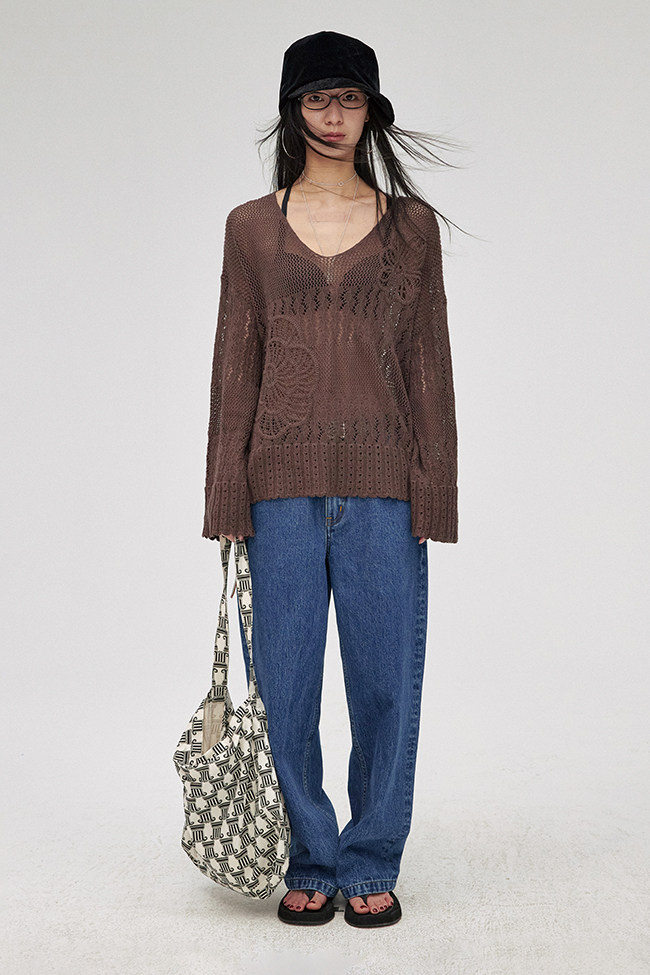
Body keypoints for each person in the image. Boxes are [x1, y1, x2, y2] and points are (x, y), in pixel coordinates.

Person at [202, 31, 460, 928]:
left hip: (386, 488)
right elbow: (235, 363)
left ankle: (371, 855)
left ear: (371, 110)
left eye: (349, 97)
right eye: (318, 98)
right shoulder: (250, 228)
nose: (334, 115)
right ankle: (310, 854)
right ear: (293, 110)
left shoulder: (411, 228)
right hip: (276, 489)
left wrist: (437, 487)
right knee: (287, 685)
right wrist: (224, 492)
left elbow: (429, 361)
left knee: (386, 683)